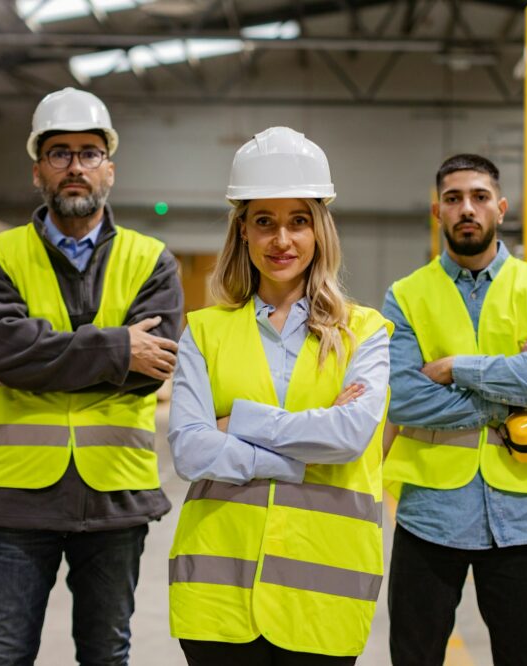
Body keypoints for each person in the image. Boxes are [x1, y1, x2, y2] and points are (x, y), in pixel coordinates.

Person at [0, 87, 183, 666]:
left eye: (89, 153)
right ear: (38, 167)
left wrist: (49, 357)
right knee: (4, 654)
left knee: (106, 655)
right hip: (20, 501)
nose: (75, 167)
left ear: (109, 168)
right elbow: (3, 352)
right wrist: (117, 347)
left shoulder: (151, 259)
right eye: (60, 153)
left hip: (115, 498)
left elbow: (152, 369)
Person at [167, 126, 392, 665]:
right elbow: (190, 450)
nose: (282, 240)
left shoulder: (366, 331)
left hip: (323, 596)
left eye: (298, 221)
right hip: (218, 593)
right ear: (242, 232)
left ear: (320, 231)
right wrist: (301, 456)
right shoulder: (204, 332)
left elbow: (350, 436)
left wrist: (238, 420)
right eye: (264, 222)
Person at [382, 154, 527, 666]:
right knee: (413, 656)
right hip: (431, 510)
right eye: (453, 199)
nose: (466, 208)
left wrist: (457, 368)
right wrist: (516, 383)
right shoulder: (406, 296)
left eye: (477, 197)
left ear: (500, 207)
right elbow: (404, 396)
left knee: (523, 657)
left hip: (525, 510)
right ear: (437, 211)